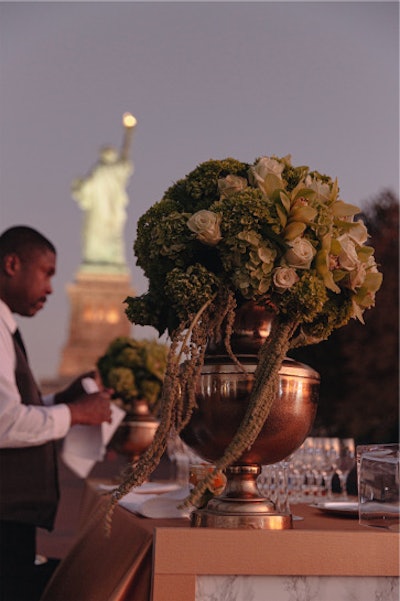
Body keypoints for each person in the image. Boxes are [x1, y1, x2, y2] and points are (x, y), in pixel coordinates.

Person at [0, 225, 113, 601]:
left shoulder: (7, 326)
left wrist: (61, 399)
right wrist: (75, 413)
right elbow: (5, 423)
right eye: (46, 273)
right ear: (12, 264)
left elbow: (14, 408)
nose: (51, 288)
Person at [71, 145, 133, 268]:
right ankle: (98, 259)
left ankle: (111, 259)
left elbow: (125, 168)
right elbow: (125, 168)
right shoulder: (100, 170)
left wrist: (79, 187)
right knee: (98, 233)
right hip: (101, 210)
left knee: (107, 232)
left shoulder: (106, 170)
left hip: (108, 211)